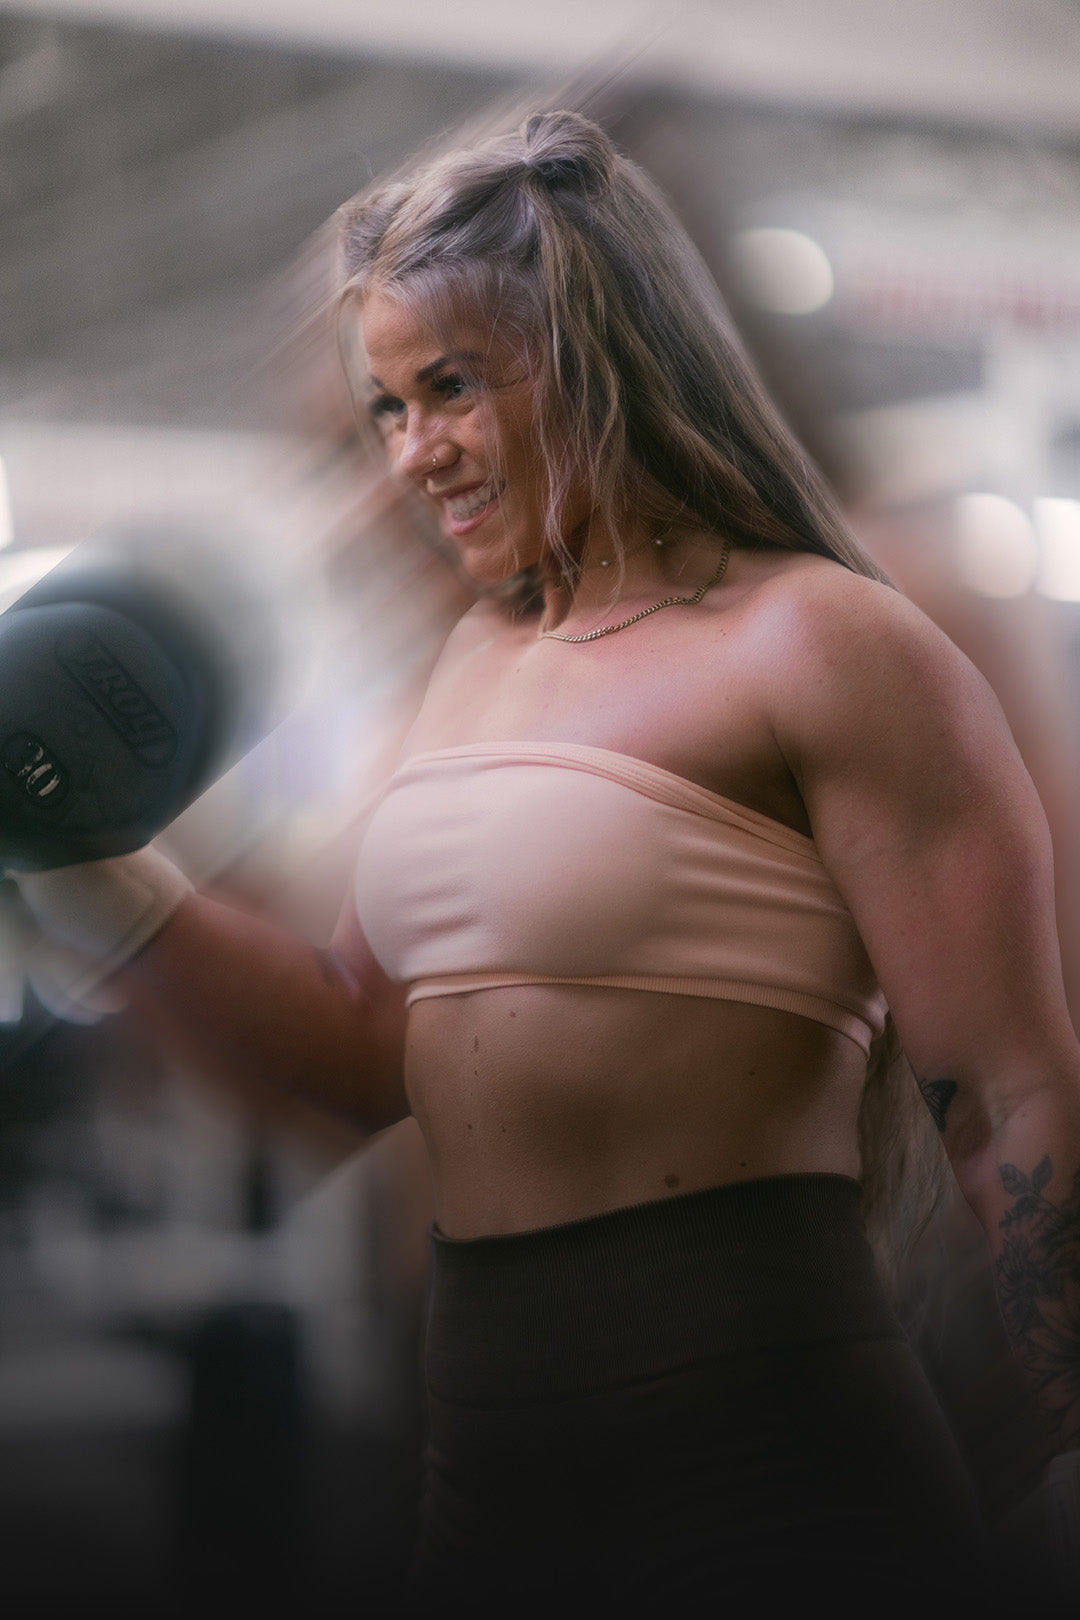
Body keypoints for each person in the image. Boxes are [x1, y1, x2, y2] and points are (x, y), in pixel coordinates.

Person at [9, 109, 1080, 1615]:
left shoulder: (827, 640)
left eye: (447, 389)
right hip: (485, 1474)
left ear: (593, 354)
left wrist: (1041, 1409)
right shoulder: (473, 659)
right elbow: (360, 1052)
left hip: (766, 1461)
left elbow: (1014, 1076)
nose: (410, 457)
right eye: (385, 408)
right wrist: (71, 859)